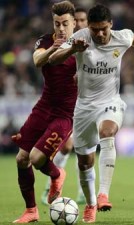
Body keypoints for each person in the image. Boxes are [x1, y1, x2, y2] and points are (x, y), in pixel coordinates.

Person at [49, 3, 134, 223]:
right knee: (84, 162)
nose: (99, 34)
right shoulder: (80, 37)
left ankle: (103, 194)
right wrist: (73, 49)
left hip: (111, 102)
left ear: (111, 24)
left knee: (107, 132)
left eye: (104, 29)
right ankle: (90, 204)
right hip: (84, 108)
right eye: (95, 29)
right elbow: (53, 60)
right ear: (88, 27)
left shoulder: (122, 37)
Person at [12, 1, 77, 223]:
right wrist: (53, 47)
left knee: (36, 157)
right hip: (44, 105)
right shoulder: (46, 40)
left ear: (74, 23)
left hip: (65, 113)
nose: (60, 28)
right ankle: (31, 211)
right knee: (22, 159)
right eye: (57, 23)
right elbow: (38, 60)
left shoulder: (83, 44)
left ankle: (57, 174)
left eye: (65, 23)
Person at [40, 6, 88, 206]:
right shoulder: (61, 44)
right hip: (67, 105)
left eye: (84, 20)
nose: (81, 23)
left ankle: (83, 193)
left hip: (87, 103)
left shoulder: (90, 42)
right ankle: (50, 187)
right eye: (78, 20)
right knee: (68, 146)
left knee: (83, 147)